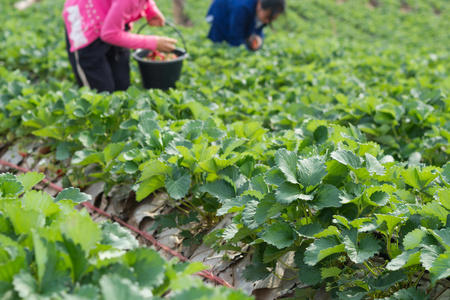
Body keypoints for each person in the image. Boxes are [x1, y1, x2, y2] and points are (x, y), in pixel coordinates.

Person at [62, 0, 177, 93]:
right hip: (86, 25)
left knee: (122, 84)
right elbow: (109, 34)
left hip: (111, 20)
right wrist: (152, 43)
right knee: (101, 91)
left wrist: (150, 8)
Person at [206, 0, 285, 51]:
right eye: (267, 17)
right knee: (219, 41)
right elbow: (236, 37)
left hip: (237, 10)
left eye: (271, 19)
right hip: (221, 12)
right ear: (260, 4)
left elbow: (257, 29)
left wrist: (258, 39)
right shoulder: (242, 7)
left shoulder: (261, 10)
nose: (267, 21)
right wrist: (244, 49)